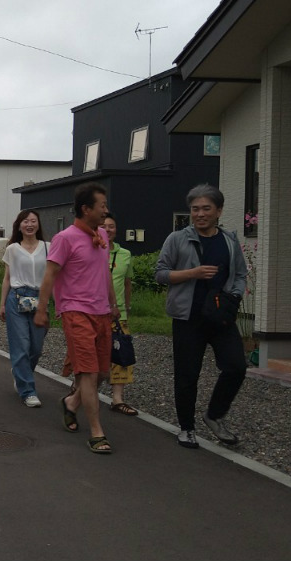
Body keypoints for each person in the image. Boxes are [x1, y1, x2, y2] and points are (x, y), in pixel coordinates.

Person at [156, 184, 248, 449]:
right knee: (187, 375)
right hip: (188, 317)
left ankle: (214, 415)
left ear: (219, 211)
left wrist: (234, 296)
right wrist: (192, 274)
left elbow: (240, 273)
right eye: (195, 209)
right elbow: (160, 273)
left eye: (206, 208)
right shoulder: (177, 239)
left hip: (220, 316)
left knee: (236, 367)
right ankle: (187, 427)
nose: (200, 214)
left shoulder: (229, 240)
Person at [35, 182, 119, 455]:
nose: (106, 210)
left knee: (103, 373)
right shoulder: (65, 238)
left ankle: (71, 403)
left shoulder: (101, 235)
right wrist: (42, 309)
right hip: (75, 311)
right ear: (86, 209)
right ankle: (97, 432)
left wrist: (113, 303)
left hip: (102, 312)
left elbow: (104, 272)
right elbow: (50, 275)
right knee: (88, 373)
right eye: (102, 206)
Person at [0, 209, 50, 408]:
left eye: (33, 221)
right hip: (17, 298)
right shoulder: (12, 249)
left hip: (40, 299)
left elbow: (53, 277)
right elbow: (7, 278)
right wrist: (2, 304)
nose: (29, 225)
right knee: (20, 345)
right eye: (25, 221)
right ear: (19, 226)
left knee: (36, 348)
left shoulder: (48, 247)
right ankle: (28, 391)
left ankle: (20, 372)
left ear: (38, 224)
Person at [102, 213, 138, 416]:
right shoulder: (92, 250)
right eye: (104, 226)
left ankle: (118, 399)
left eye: (111, 226)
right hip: (95, 311)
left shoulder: (125, 254)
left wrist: (127, 307)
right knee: (94, 354)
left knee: (122, 353)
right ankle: (79, 390)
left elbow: (127, 282)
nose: (108, 230)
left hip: (118, 313)